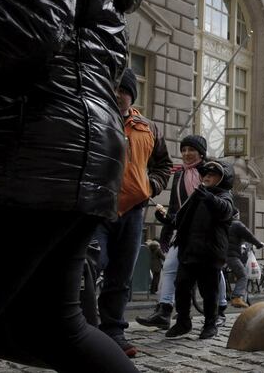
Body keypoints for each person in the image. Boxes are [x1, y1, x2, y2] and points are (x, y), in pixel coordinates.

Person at [0, 0, 145, 370]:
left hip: (28, 151)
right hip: (68, 153)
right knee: (49, 327)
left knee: (54, 325)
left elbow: (25, 27)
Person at [94, 68, 171, 357]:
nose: (117, 94)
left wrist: (151, 186)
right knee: (90, 266)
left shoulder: (148, 128)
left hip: (134, 212)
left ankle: (113, 332)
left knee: (121, 276)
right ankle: (84, 328)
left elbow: (164, 165)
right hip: (97, 209)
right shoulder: (95, 116)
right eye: (113, 89)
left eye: (123, 90)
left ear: (131, 95)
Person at [137, 135, 228, 328]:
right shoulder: (179, 174)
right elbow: (174, 208)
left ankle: (220, 310)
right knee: (170, 266)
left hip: (209, 233)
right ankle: (165, 310)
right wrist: (165, 234)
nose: (186, 154)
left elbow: (224, 199)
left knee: (213, 270)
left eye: (191, 150)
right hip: (185, 232)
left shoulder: (212, 170)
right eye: (183, 150)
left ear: (201, 152)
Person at [164, 160, 235, 340]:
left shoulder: (224, 195)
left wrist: (209, 197)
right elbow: (181, 220)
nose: (207, 177)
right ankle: (183, 322)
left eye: (212, 175)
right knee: (181, 286)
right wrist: (166, 219)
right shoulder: (197, 195)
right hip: (189, 250)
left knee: (209, 291)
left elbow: (226, 210)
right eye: (205, 174)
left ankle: (210, 324)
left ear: (222, 178)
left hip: (210, 253)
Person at [228, 216, 264, 308]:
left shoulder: (222, 224)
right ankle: (236, 297)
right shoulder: (237, 224)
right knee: (243, 275)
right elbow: (249, 236)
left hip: (218, 254)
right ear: (236, 215)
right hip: (231, 255)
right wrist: (259, 244)